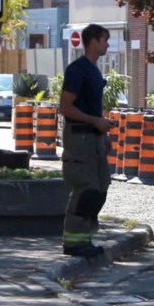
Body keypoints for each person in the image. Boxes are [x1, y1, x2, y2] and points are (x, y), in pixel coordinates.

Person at [59, 23, 113, 258]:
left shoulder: (93, 70)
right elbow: (65, 107)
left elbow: (92, 108)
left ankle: (85, 238)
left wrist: (103, 130)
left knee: (100, 187)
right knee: (86, 187)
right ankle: (73, 242)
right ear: (93, 41)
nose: (107, 44)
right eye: (104, 40)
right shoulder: (77, 70)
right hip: (79, 138)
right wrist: (94, 121)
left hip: (94, 138)